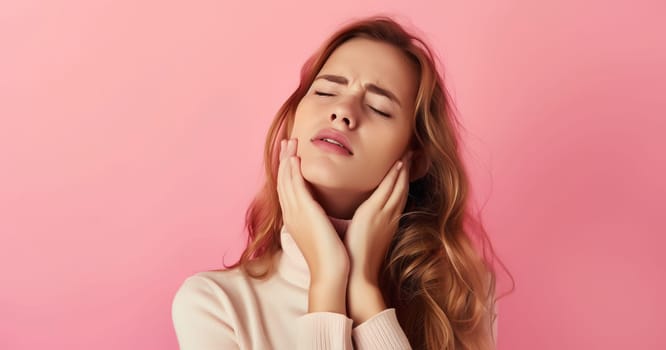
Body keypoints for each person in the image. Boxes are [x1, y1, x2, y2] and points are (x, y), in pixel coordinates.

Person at [172, 15, 506, 350]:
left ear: (414, 160)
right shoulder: (215, 306)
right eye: (326, 91)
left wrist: (364, 289)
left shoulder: (461, 295)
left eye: (379, 108)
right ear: (291, 121)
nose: (342, 111)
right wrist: (328, 278)